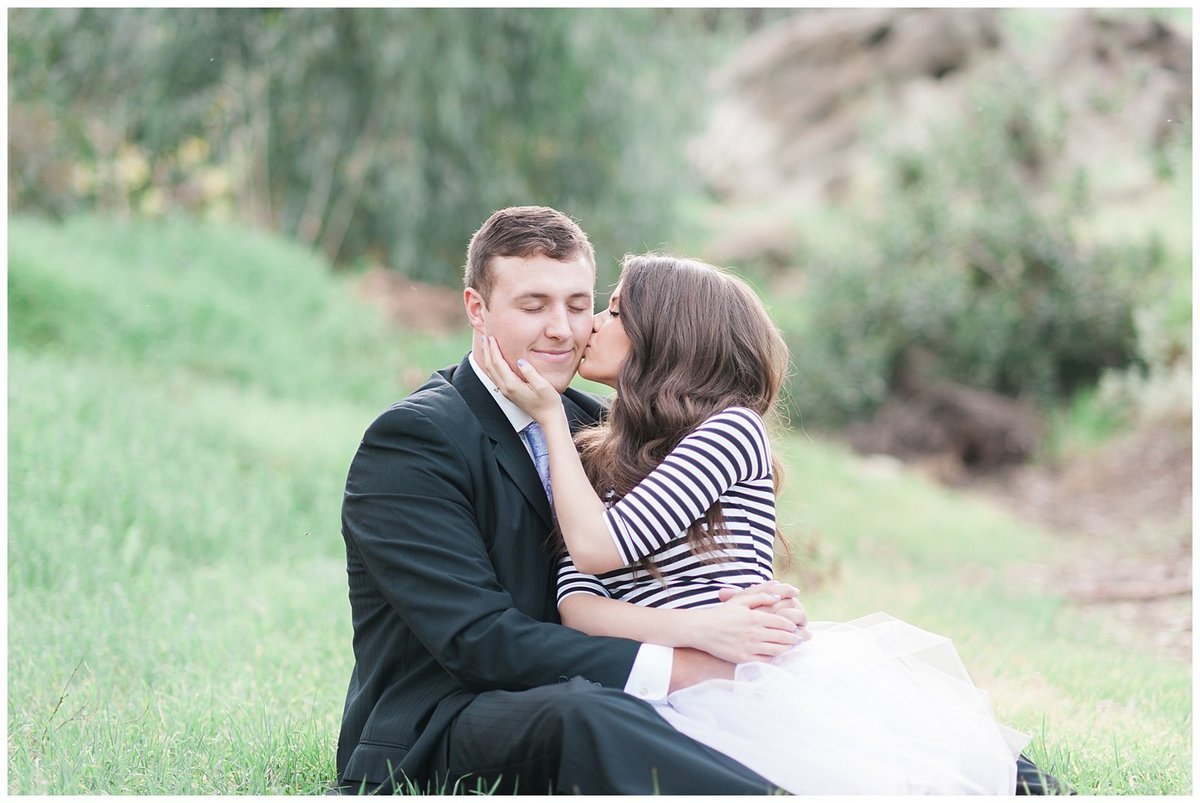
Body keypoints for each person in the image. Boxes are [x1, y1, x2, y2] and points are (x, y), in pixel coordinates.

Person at [479, 252, 1073, 795]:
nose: (590, 327)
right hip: (671, 685)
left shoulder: (728, 432)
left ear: (665, 335)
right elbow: (577, 604)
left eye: (612, 313)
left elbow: (599, 548)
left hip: (750, 687)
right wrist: (700, 632)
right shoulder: (589, 460)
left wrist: (551, 418)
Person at [335, 206, 808, 794]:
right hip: (444, 722)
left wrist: (751, 615)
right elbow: (478, 642)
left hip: (590, 691)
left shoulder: (601, 429)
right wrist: (685, 666)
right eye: (534, 306)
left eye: (581, 306)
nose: (562, 328)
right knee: (592, 714)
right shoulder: (414, 441)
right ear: (477, 310)